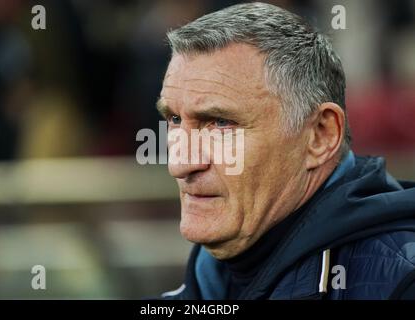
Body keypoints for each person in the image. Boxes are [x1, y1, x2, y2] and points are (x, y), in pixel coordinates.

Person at [156, 2, 415, 300]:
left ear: (320, 136)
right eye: (174, 119)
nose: (180, 164)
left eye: (221, 123)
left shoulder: (401, 282)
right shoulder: (210, 276)